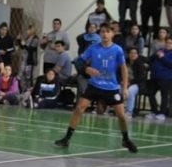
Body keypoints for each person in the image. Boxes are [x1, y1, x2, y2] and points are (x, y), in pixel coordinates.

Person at [54, 23, 137, 153]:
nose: (105, 34)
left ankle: (125, 139)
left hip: (111, 87)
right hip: (94, 85)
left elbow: (124, 69)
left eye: (108, 31)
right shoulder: (93, 48)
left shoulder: (117, 50)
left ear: (112, 34)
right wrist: (87, 68)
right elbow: (78, 61)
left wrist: (125, 87)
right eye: (102, 31)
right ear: (99, 34)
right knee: (79, 109)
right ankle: (66, 139)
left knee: (121, 115)